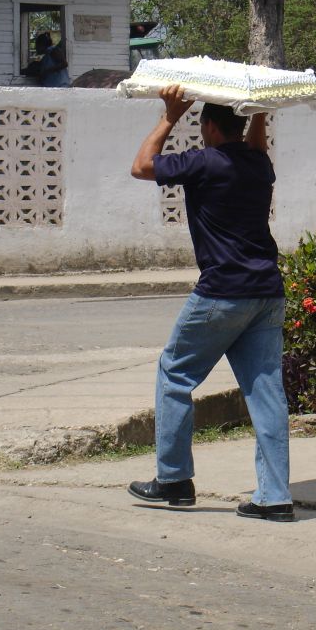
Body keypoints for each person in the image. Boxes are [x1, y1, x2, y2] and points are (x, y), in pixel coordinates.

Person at [126, 85, 293, 522]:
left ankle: (174, 480)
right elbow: (256, 148)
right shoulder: (259, 165)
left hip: (222, 291)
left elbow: (141, 166)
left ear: (210, 128)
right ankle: (274, 497)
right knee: (266, 393)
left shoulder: (204, 162)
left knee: (175, 373)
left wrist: (169, 116)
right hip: (267, 292)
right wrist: (260, 114)